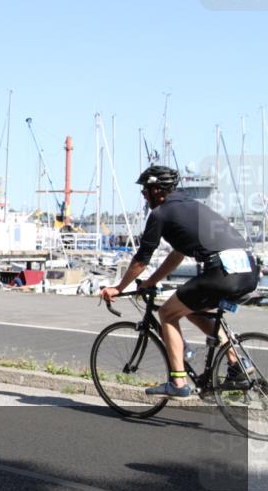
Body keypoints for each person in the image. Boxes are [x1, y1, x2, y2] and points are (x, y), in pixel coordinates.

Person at [100, 165, 258, 399]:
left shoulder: (161, 213)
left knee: (167, 313)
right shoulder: (191, 206)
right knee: (191, 309)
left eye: (145, 189)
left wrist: (118, 288)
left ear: (157, 190)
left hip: (221, 272)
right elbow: (178, 254)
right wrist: (150, 282)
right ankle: (236, 361)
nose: (143, 194)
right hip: (248, 270)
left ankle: (178, 382)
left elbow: (142, 259)